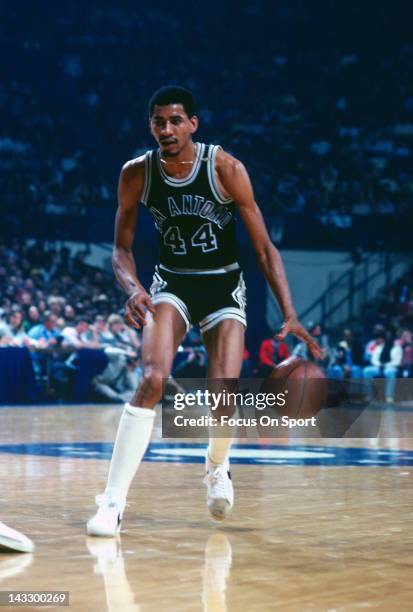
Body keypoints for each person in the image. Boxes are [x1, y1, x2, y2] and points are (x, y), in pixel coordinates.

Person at [86, 85, 322, 537]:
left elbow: (264, 249)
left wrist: (289, 312)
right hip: (172, 283)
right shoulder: (137, 173)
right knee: (152, 380)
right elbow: (120, 249)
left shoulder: (225, 168)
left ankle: (217, 466)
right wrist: (133, 288)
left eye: (176, 120)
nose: (167, 129)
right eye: (159, 121)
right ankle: (112, 503)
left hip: (222, 286)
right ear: (150, 126)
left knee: (222, 394)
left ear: (193, 124)